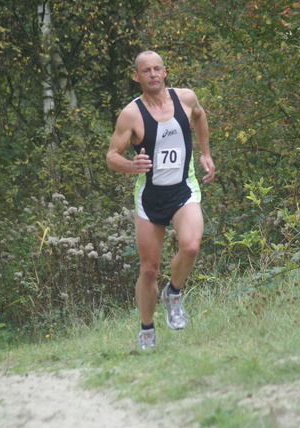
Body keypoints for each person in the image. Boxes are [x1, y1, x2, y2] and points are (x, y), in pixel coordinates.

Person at [106, 50, 215, 349]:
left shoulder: (185, 98)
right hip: (150, 196)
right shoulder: (131, 114)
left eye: (157, 69)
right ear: (136, 76)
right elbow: (111, 156)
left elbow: (200, 116)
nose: (152, 75)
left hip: (183, 188)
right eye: (146, 71)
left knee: (191, 246)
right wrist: (130, 166)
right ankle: (146, 330)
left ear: (165, 72)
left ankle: (174, 292)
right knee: (149, 269)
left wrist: (205, 153)